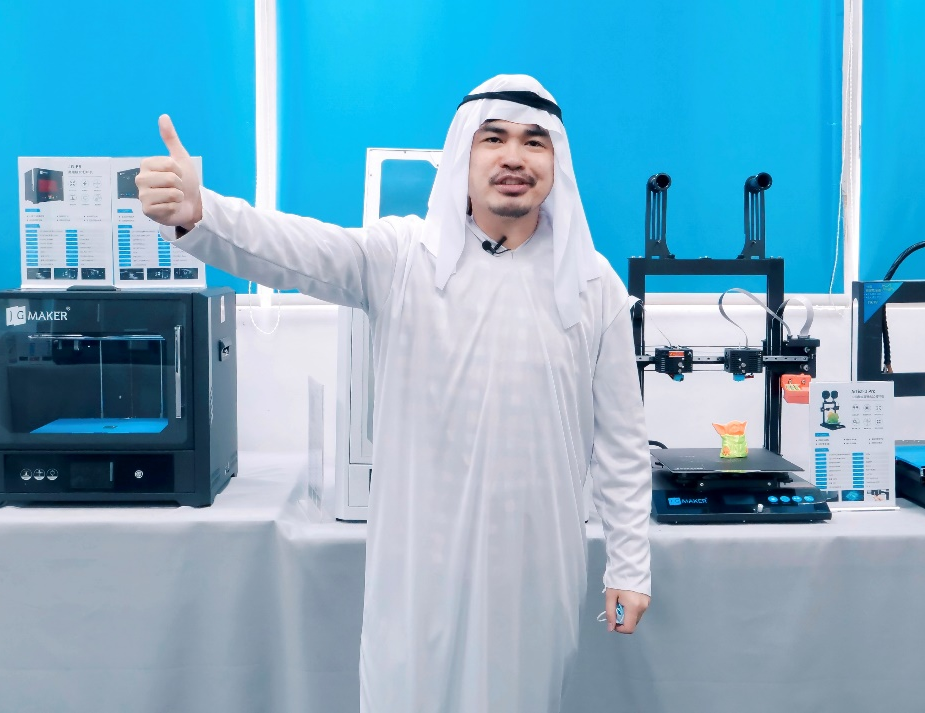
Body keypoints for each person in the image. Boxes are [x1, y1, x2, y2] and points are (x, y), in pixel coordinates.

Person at [138, 74, 651, 713]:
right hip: (419, 564)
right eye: (494, 139)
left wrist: (628, 566)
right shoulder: (404, 256)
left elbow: (622, 443)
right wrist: (201, 212)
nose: (514, 157)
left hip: (535, 566)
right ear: (462, 154)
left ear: (557, 162)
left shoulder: (591, 284)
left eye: (534, 142)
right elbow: (294, 248)